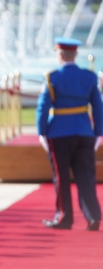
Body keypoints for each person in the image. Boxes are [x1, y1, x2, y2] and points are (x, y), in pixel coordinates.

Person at [36, 37, 103, 231]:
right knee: (86, 176)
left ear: (60, 54)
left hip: (59, 133)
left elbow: (43, 107)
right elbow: (98, 107)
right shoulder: (89, 77)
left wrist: (41, 132)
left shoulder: (52, 77)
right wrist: (98, 132)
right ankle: (93, 216)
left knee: (61, 176)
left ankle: (64, 217)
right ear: (75, 54)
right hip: (84, 131)